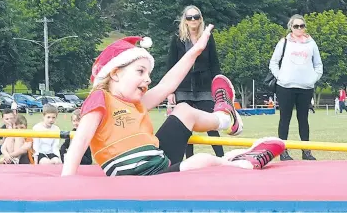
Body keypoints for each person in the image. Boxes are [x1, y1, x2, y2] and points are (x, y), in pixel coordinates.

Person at [61, 25, 285, 177]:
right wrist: (66, 185)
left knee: (184, 109)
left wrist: (195, 51)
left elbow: (167, 85)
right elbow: (80, 142)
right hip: (138, 176)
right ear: (115, 73)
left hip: (159, 163)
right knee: (201, 161)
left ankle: (226, 118)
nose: (147, 79)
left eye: (148, 74)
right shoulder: (100, 99)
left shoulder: (136, 104)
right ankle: (240, 162)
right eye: (140, 71)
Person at [166, 5, 224, 158]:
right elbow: (171, 65)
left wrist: (218, 85)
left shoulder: (207, 37)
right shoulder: (177, 39)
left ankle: (221, 157)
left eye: (196, 17)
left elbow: (214, 63)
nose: (193, 20)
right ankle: (188, 160)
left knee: (211, 124)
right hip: (183, 87)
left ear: (200, 20)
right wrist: (170, 90)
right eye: (189, 17)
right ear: (184, 20)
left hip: (204, 87)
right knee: (185, 126)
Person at [269, 14, 323, 161]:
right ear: (291, 28)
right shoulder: (284, 42)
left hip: (305, 87)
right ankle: (283, 151)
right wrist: (281, 77)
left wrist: (312, 78)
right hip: (286, 87)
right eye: (296, 26)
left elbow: (318, 65)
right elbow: (273, 62)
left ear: (305, 27)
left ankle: (306, 151)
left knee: (303, 119)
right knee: (285, 118)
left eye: (302, 26)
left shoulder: (311, 44)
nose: (299, 29)